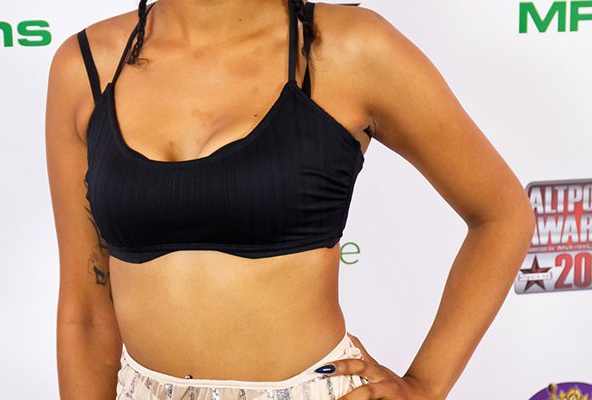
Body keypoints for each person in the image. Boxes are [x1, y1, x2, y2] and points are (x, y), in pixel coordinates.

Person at [45, 1, 535, 399]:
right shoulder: (85, 66)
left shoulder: (349, 48)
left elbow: (501, 214)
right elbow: (85, 311)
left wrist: (425, 386)